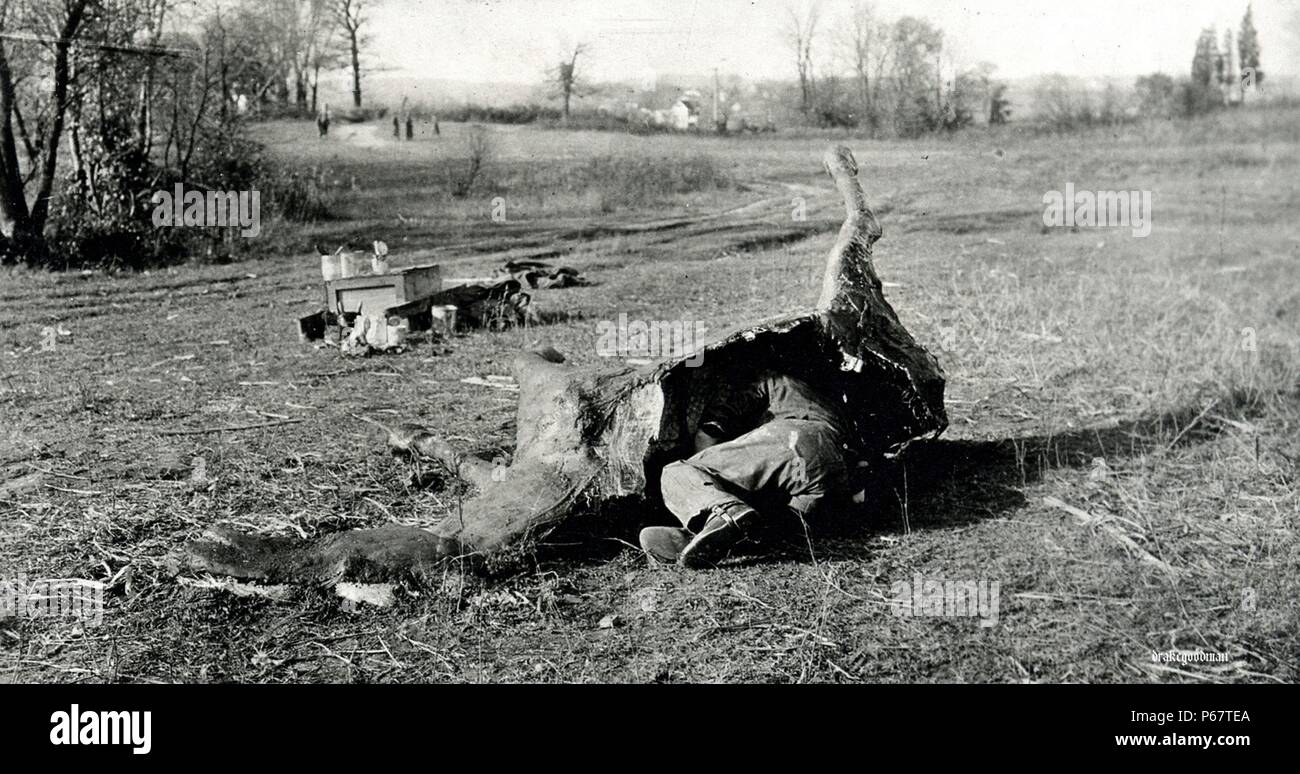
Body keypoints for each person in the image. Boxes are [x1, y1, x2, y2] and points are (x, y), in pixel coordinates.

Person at [640, 370, 853, 568]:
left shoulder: (775, 379)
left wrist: (703, 476)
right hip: (831, 483)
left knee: (677, 472)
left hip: (798, 441)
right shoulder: (833, 406)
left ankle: (721, 513)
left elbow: (710, 431)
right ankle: (705, 536)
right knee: (767, 524)